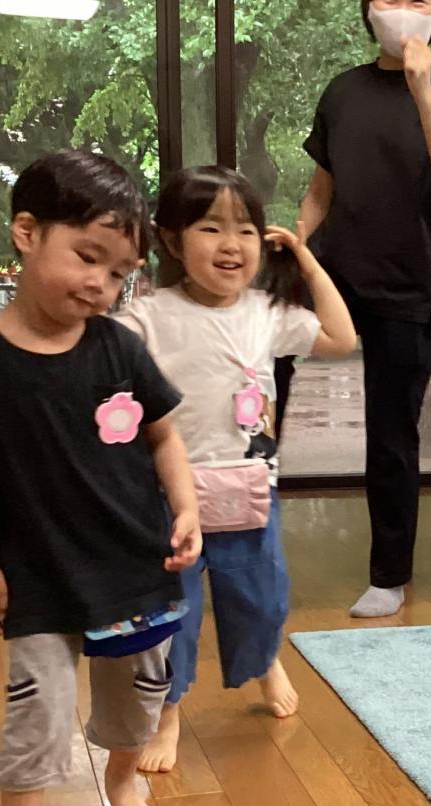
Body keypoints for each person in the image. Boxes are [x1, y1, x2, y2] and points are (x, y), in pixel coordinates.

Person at [0, 150, 202, 806]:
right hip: (37, 576)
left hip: (135, 567)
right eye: (87, 257)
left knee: (136, 700)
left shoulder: (119, 347)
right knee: (36, 713)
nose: (101, 283)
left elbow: (163, 436)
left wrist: (187, 508)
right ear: (27, 234)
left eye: (120, 272)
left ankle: (123, 782)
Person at [115, 166, 357, 773]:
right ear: (172, 240)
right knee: (174, 612)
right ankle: (169, 711)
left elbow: (341, 337)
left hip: (248, 487)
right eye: (210, 228)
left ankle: (263, 660)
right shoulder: (149, 315)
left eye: (246, 230)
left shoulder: (266, 311)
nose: (231, 244)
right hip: (169, 492)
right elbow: (96, 356)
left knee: (261, 597)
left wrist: (306, 261)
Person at [279, 0, 431, 618]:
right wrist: (297, 249)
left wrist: (422, 88)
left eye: (417, 0)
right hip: (335, 271)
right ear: (369, 12)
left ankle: (389, 575)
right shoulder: (343, 91)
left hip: (409, 285)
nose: (402, 11)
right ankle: (235, 510)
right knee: (265, 364)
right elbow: (321, 189)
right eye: (389, 0)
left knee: (392, 433)